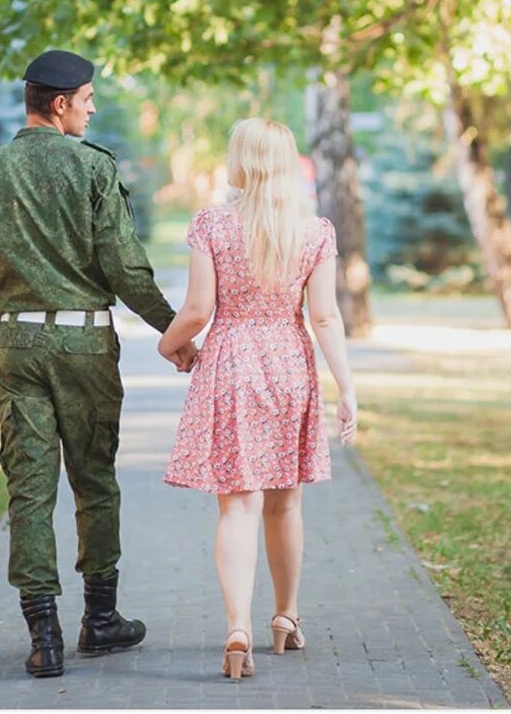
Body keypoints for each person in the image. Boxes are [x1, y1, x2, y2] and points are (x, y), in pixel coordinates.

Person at [0, 49, 196, 678]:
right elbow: (124, 267)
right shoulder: (91, 170)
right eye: (87, 100)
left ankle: (45, 639)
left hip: (19, 347)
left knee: (28, 491)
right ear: (59, 105)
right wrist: (176, 333)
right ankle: (102, 621)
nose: (92, 110)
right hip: (85, 347)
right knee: (94, 482)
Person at [157, 117, 357, 680]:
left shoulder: (212, 225)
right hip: (289, 364)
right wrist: (347, 388)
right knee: (285, 502)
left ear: (240, 160)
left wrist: (168, 344)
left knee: (236, 504)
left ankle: (237, 627)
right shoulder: (314, 231)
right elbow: (323, 316)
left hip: (230, 364)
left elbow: (198, 311)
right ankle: (286, 618)